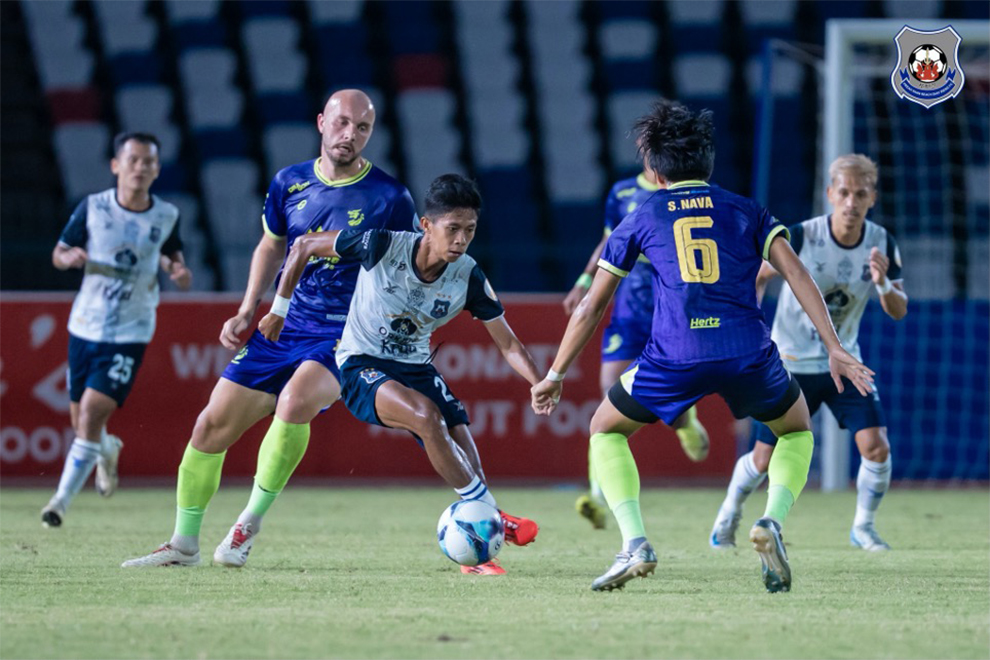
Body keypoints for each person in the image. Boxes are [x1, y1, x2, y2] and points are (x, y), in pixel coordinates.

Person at [531, 100, 875, 594]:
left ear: (656, 168)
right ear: (709, 163)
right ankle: (771, 522)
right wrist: (834, 345)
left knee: (605, 429)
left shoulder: (643, 214)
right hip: (747, 352)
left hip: (675, 354)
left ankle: (635, 543)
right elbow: (797, 274)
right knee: (796, 431)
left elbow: (588, 308)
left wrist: (556, 373)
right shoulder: (747, 210)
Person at [122, 89, 418, 567]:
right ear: (322, 122)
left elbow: (407, 266)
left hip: (347, 333)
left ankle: (246, 526)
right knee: (209, 426)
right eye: (342, 123)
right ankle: (183, 544)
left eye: (362, 128)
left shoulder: (390, 197)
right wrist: (247, 307)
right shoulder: (290, 182)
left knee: (295, 401)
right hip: (284, 325)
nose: (350, 135)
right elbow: (269, 246)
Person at [257, 173, 544, 576]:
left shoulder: (469, 276)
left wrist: (540, 381)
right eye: (453, 229)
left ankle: (477, 550)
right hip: (360, 364)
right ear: (426, 225)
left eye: (470, 230)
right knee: (427, 417)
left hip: (415, 366)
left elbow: (509, 344)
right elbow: (303, 245)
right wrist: (278, 310)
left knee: (459, 432)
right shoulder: (381, 245)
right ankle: (492, 514)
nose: (461, 240)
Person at [710, 154, 907, 552]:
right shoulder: (801, 236)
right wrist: (752, 331)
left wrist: (884, 283)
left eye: (861, 194)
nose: (852, 202)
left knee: (876, 446)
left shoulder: (881, 242)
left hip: (844, 363)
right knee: (764, 459)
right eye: (845, 192)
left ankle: (863, 528)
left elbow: (898, 310)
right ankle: (728, 514)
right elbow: (758, 277)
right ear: (831, 194)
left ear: (873, 198)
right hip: (790, 364)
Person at [42, 132, 192, 527]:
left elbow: (173, 253)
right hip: (85, 325)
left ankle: (59, 502)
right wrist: (68, 257)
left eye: (148, 162)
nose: (140, 168)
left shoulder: (166, 215)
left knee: (91, 413)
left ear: (157, 169)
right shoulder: (93, 208)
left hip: (131, 330)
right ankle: (107, 450)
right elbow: (58, 252)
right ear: (116, 165)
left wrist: (176, 268)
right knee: (83, 424)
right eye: (133, 160)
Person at [562, 162, 710, 530]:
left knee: (670, 385)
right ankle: (598, 496)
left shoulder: (686, 189)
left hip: (674, 303)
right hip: (630, 303)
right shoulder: (622, 192)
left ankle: (683, 417)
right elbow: (609, 239)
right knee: (609, 388)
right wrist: (584, 279)